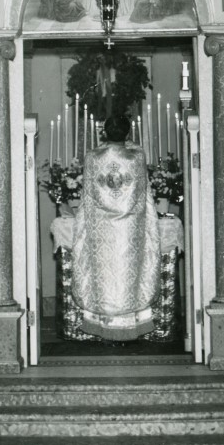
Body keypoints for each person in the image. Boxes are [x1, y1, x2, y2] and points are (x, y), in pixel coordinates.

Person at [72, 116, 160, 340]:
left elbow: (88, 195)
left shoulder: (92, 157)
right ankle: (131, 323)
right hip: (130, 228)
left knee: (103, 275)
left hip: (101, 229)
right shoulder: (137, 156)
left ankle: (102, 324)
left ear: (104, 132)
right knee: (129, 275)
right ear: (127, 133)